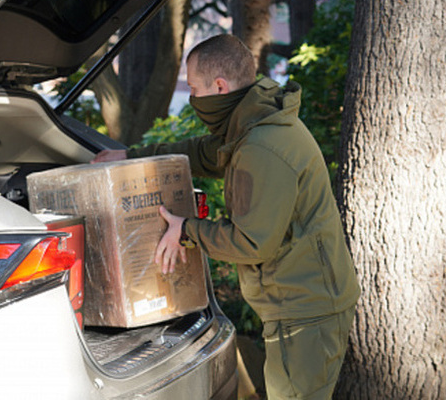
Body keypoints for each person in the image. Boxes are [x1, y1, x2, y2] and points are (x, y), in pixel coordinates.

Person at [93, 34, 359, 399]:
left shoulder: (261, 146)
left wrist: (186, 230)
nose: (193, 99)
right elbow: (206, 153)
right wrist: (132, 157)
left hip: (305, 311)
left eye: (196, 89)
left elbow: (251, 244)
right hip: (303, 301)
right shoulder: (255, 123)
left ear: (220, 86)